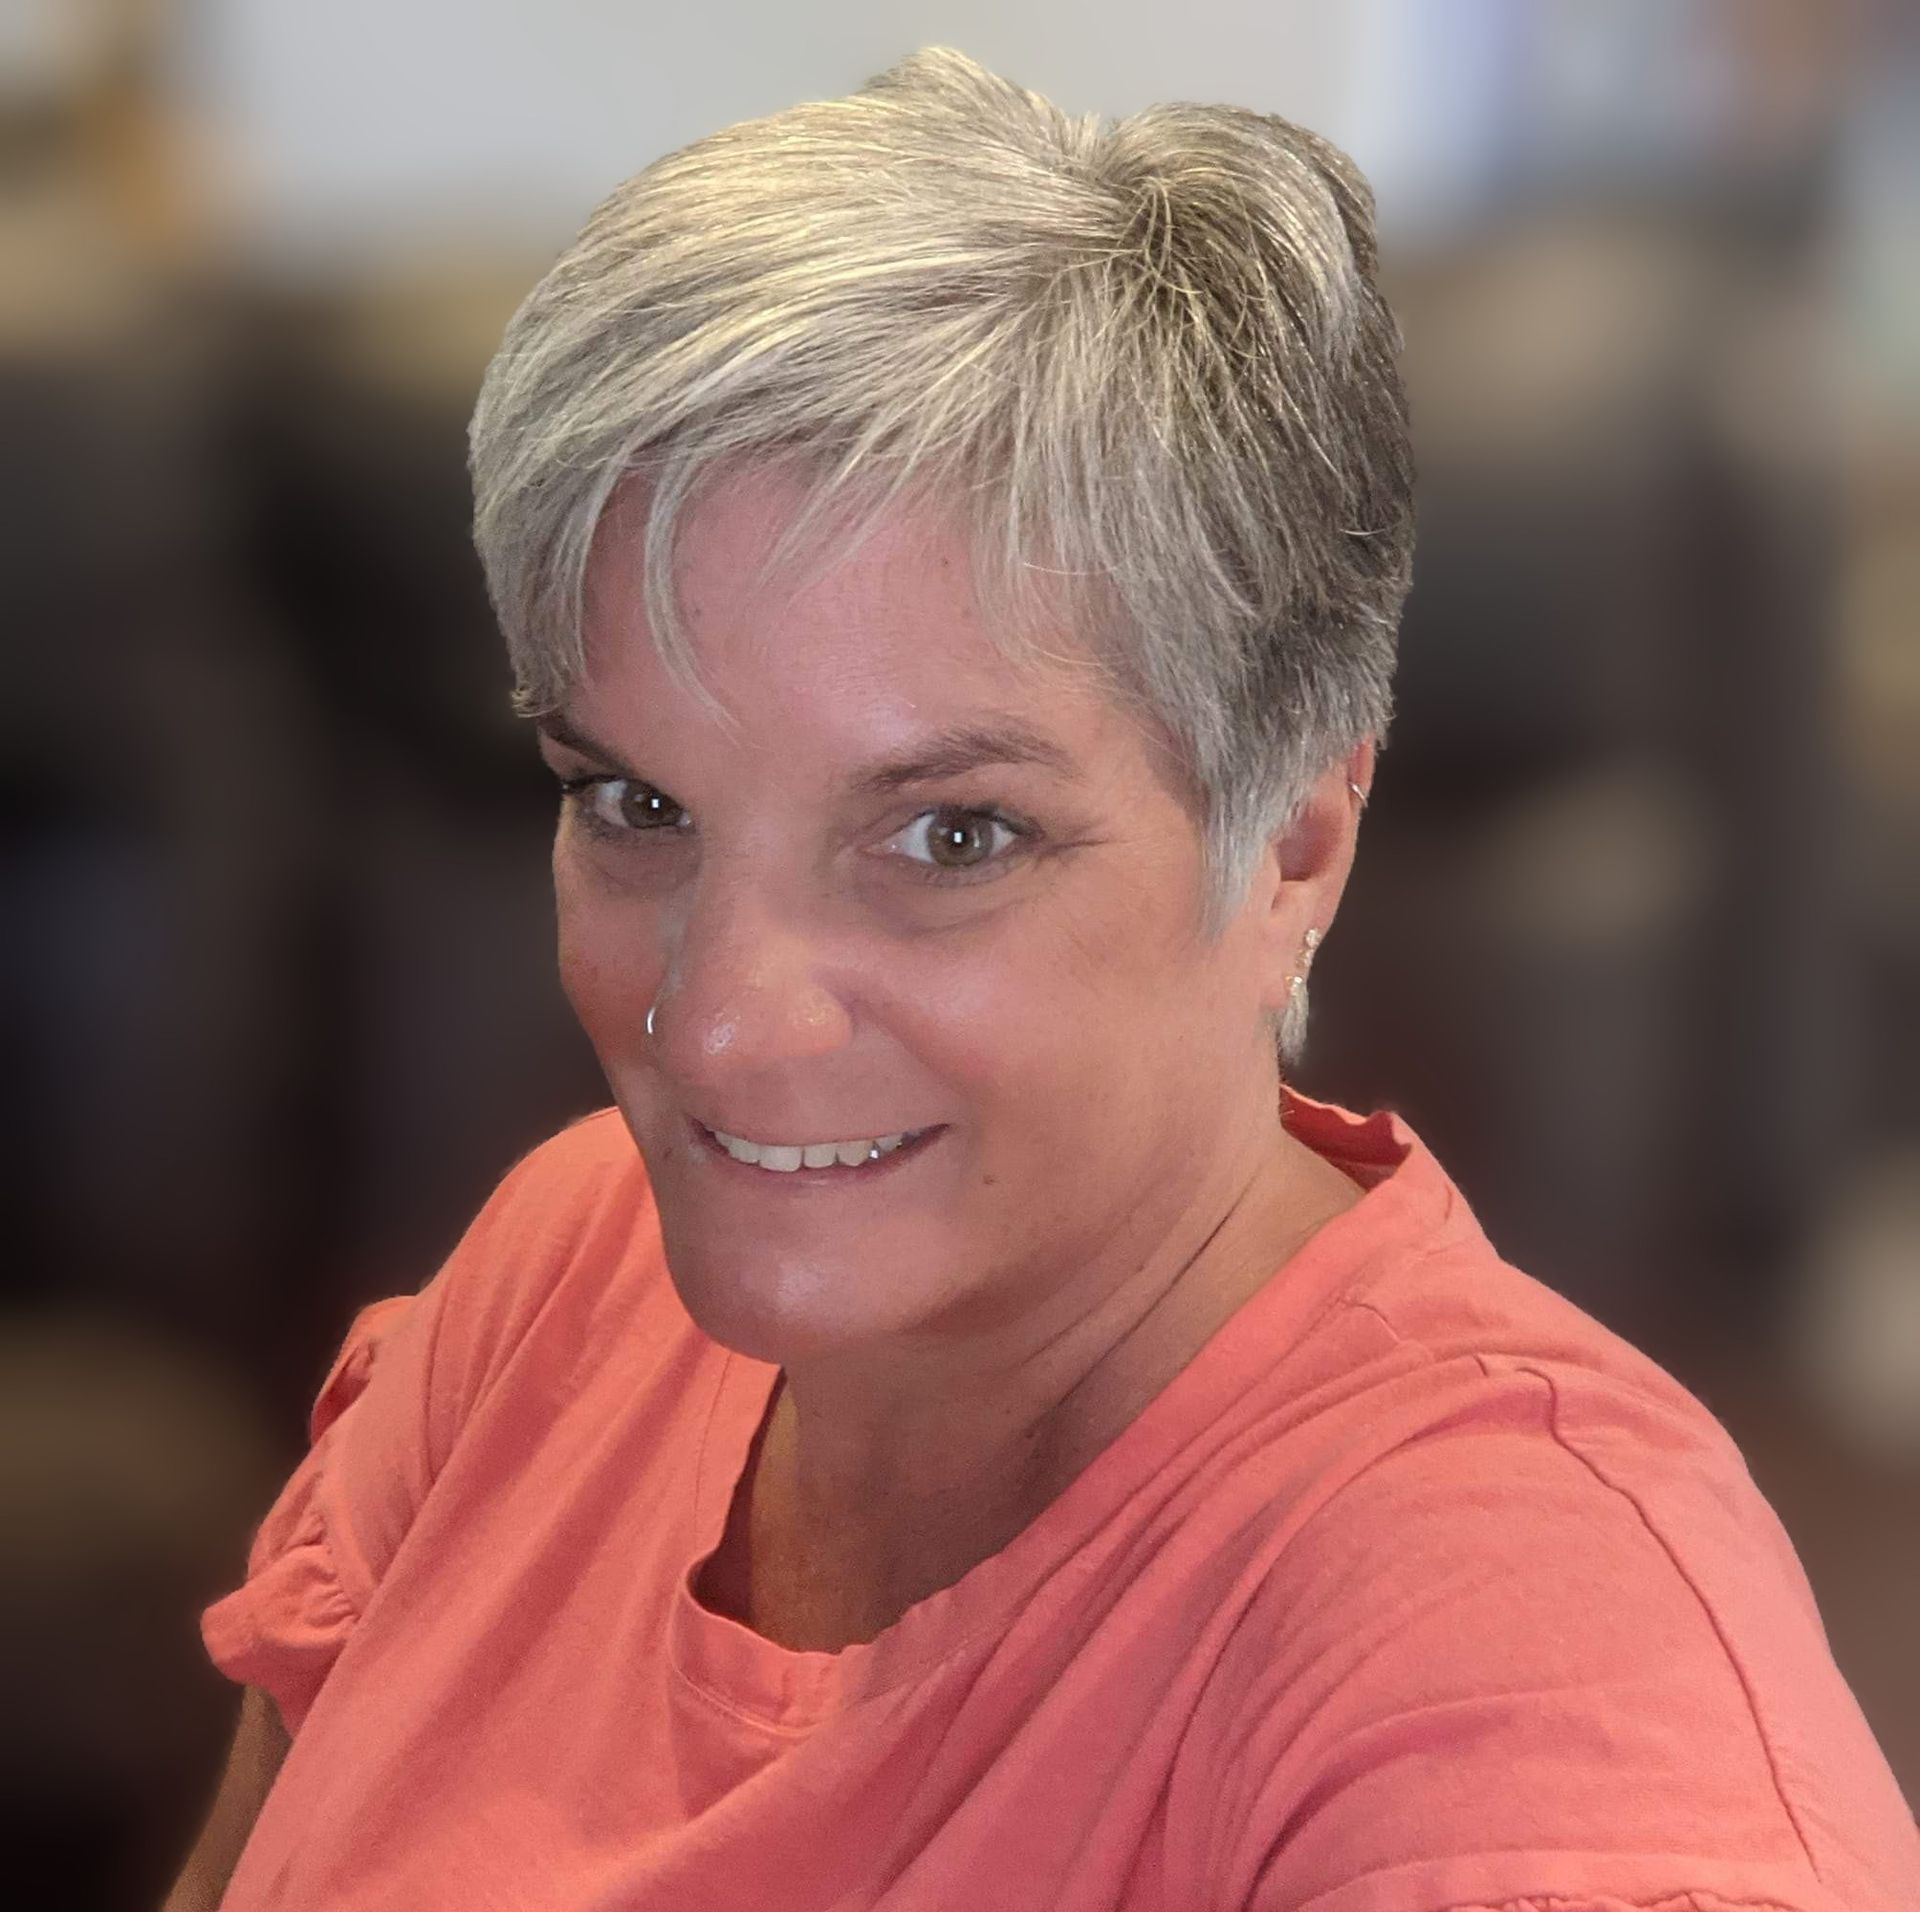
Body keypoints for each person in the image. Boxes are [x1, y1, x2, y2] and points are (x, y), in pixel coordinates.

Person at [165, 47, 1918, 1912]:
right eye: (637, 802)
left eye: (951, 838)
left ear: (1298, 842)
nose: (726, 1026)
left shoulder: (1520, 1660)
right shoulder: (560, 1275)